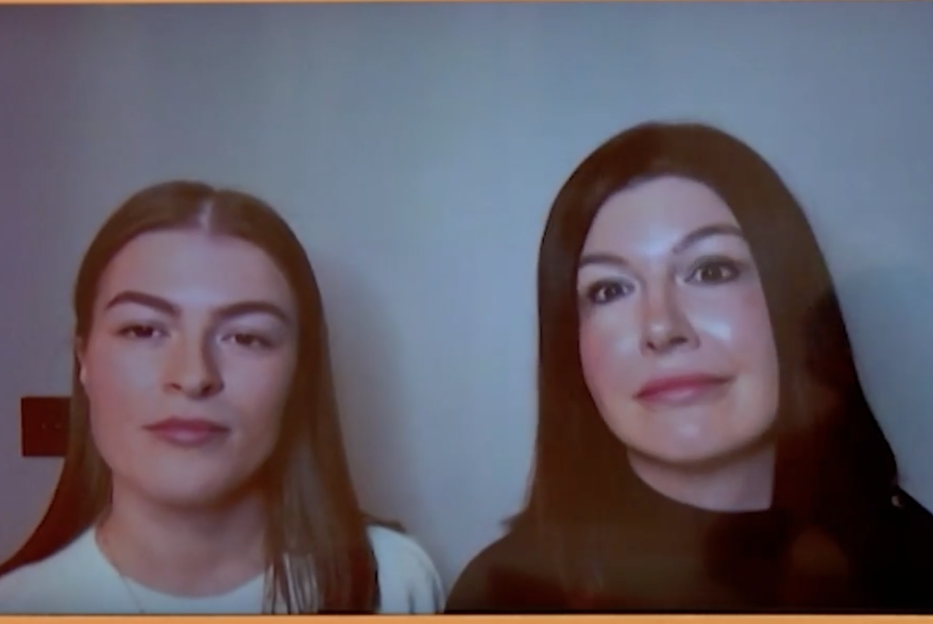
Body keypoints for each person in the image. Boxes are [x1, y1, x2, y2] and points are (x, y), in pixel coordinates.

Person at [445, 121, 933, 613]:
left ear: (793, 305)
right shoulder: (501, 596)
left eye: (712, 270)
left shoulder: (917, 564)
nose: (662, 327)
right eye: (609, 290)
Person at [0, 181, 444, 614]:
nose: (194, 377)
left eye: (246, 337)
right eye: (143, 330)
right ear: (84, 360)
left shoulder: (391, 584)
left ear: (298, 373)